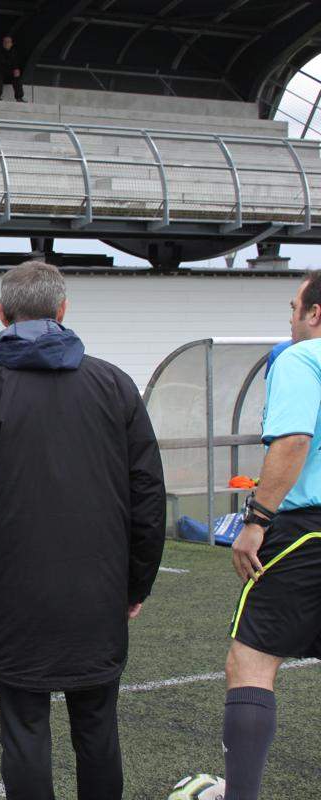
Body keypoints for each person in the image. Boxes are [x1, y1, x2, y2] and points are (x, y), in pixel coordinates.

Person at [0, 261, 165, 800]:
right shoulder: (114, 386)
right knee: (97, 728)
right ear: (62, 311)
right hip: (95, 593)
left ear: (2, 315)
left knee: (25, 731)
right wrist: (135, 583)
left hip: (12, 598)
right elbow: (148, 498)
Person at [223, 272, 321, 800]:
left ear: (315, 314)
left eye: (293, 306)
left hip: (308, 532)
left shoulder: (302, 358)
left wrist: (256, 520)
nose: (289, 318)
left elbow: (294, 440)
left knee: (251, 663)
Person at [0, 34, 25, 102]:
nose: (7, 43)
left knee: (17, 77)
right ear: (3, 43)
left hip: (8, 74)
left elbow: (16, 65)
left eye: (8, 42)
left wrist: (16, 70)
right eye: (5, 42)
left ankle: (19, 97)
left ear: (11, 44)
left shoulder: (14, 53)